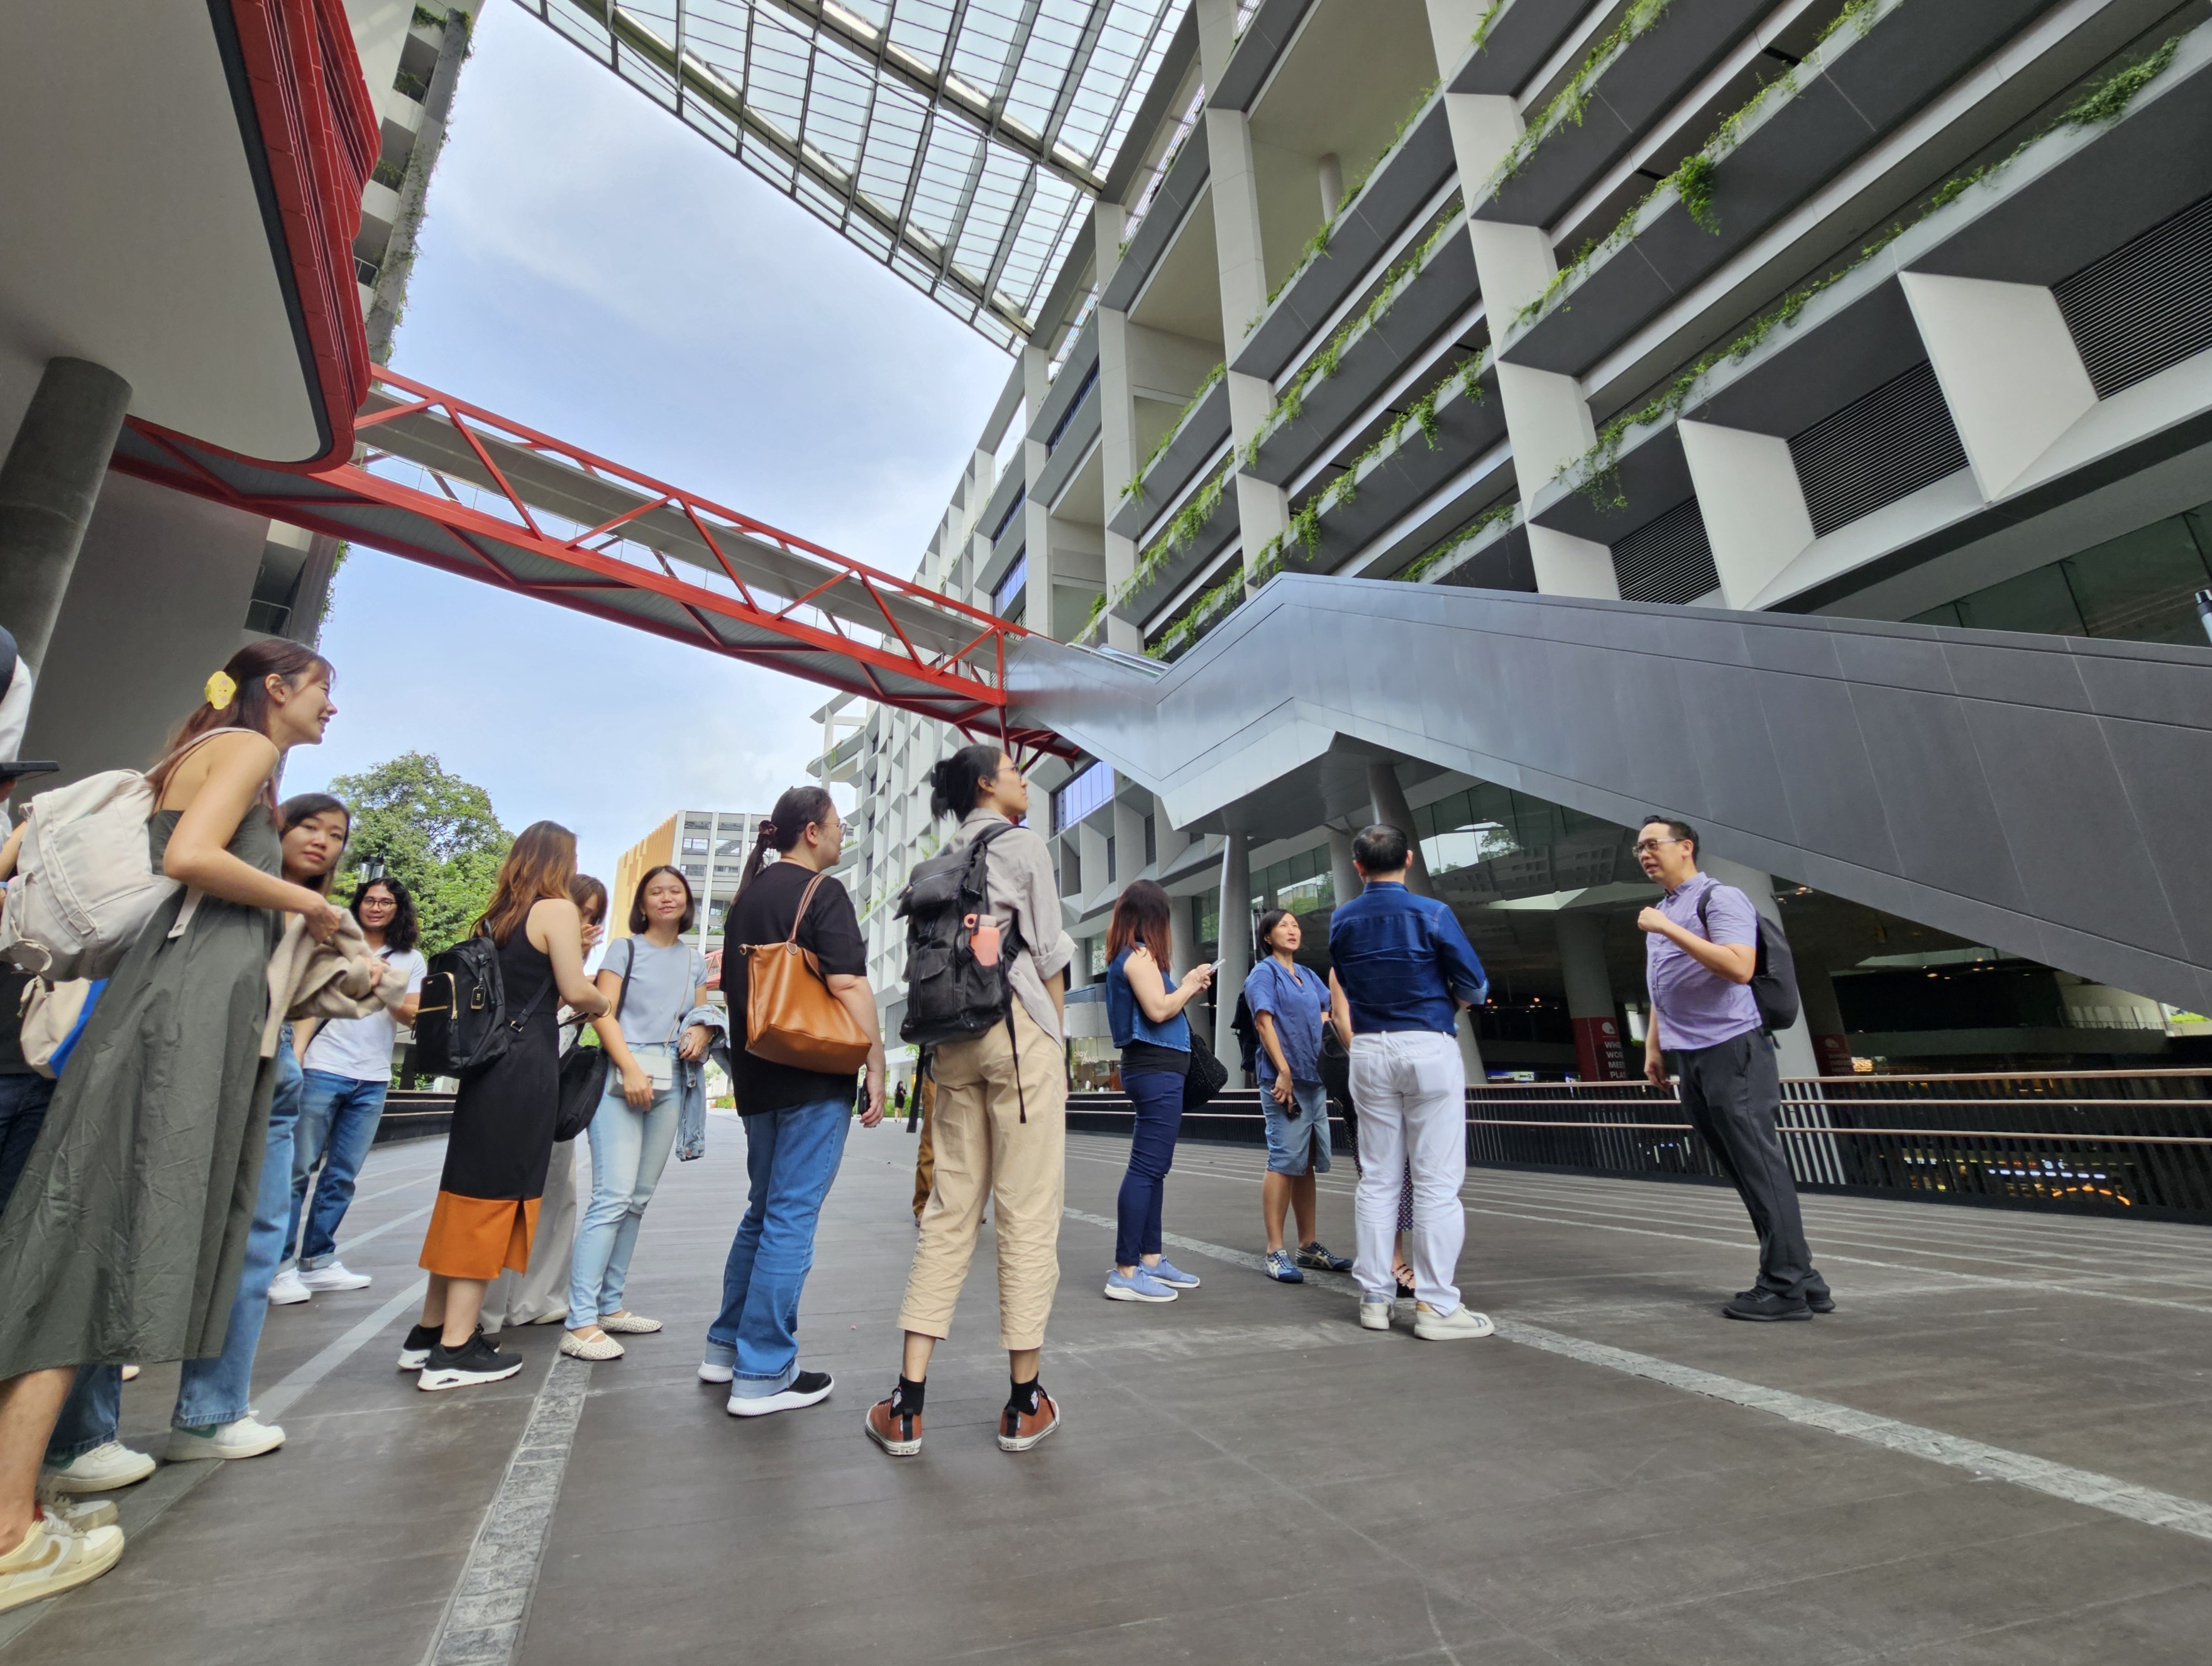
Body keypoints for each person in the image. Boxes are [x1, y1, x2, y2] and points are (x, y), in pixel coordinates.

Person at [0, 641, 346, 1610]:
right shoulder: (243, 748)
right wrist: (306, 900)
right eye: (324, 689)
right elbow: (193, 855)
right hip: (178, 1014)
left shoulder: (210, 746)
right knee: (82, 1239)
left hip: (169, 1003)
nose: (331, 708)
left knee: (81, 1233)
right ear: (277, 688)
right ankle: (10, 1529)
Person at [39, 792, 354, 1499]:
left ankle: (211, 1413)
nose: (322, 841)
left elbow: (338, 991)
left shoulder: (307, 909)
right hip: (194, 1052)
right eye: (309, 824)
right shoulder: (214, 877)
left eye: (335, 835)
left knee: (258, 1237)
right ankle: (82, 1433)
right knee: (129, 1227)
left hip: (271, 1064)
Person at [866, 745, 1072, 1460]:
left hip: (950, 1046)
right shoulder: (1021, 845)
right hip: (1018, 1038)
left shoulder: (937, 862)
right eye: (1014, 771)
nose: (1023, 780)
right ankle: (1023, 1403)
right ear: (989, 784)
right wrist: (1059, 1042)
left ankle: (907, 1404)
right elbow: (1047, 953)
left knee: (951, 1211)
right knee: (1026, 1209)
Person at [399, 823, 608, 1391]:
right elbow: (573, 987)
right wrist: (600, 998)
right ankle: (454, 1351)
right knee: (492, 1200)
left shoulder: (497, 918)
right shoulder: (557, 910)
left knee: (463, 1193)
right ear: (560, 860)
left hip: (487, 1068)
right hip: (524, 1066)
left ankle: (428, 1332)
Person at [705, 786, 885, 1416]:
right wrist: (876, 1061)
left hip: (757, 1078)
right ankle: (764, 1371)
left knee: (762, 1211)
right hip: (813, 1073)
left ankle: (725, 1347)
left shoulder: (746, 898)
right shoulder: (822, 892)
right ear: (811, 830)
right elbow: (848, 984)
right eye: (837, 826)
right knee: (790, 1215)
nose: (842, 836)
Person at [1634, 817, 1832, 1322]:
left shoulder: (1717, 899)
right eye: (1638, 848)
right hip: (1691, 1055)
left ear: (1685, 847)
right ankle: (1803, 1278)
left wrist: (1668, 929)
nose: (1643, 853)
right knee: (1745, 1169)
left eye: (1652, 844)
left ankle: (1784, 1287)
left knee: (1759, 1166)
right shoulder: (1663, 909)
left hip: (1732, 1047)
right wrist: (1654, 1047)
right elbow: (1662, 984)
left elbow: (1738, 966)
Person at [1327, 822, 1494, 1342]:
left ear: (1358, 866)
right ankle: (1436, 1305)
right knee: (1436, 1183)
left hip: (1370, 1048)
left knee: (1377, 1178)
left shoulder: (1342, 919)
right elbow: (1475, 985)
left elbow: (1347, 984)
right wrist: (1448, 1004)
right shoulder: (1433, 913)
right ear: (1410, 859)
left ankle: (1375, 1297)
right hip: (1427, 1043)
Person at [561, 865, 712, 1361]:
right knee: (612, 1195)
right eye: (656, 891)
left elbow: (699, 1012)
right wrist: (628, 1068)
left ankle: (609, 1305)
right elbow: (602, 1012)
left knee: (638, 1199)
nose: (666, 897)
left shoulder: (693, 961)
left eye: (675, 891)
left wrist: (701, 1032)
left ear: (686, 902)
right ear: (642, 904)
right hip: (621, 1074)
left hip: (672, 1076)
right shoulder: (624, 949)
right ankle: (579, 1320)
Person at [267, 871, 425, 1301]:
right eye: (370, 899)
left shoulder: (411, 959)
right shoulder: (333, 942)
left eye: (385, 902)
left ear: (397, 910)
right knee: (297, 1170)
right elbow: (308, 1004)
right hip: (323, 1066)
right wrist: (297, 1055)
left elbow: (410, 1014)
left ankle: (317, 1260)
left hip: (373, 1077)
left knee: (342, 1176)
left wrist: (383, 984)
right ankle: (277, 1266)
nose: (376, 907)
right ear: (359, 903)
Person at [481, 874, 607, 1335]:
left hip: (553, 1085)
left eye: (596, 918)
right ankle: (491, 1306)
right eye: (583, 913)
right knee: (512, 1196)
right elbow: (566, 997)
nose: (589, 925)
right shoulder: (529, 940)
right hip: (522, 1078)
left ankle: (539, 1298)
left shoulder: (569, 954)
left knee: (559, 1192)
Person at [1099, 879, 1212, 1303]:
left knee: (1153, 1168)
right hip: (1154, 1070)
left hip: (1153, 1069)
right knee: (1146, 1168)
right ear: (1153, 918)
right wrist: (1189, 983)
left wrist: (1180, 983)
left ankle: (1149, 1258)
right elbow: (1160, 1008)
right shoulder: (1139, 955)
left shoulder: (1128, 955)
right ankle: (1126, 1269)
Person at [1245, 909, 1353, 1283]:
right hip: (1283, 1083)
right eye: (1282, 926)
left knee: (1305, 1161)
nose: (1291, 930)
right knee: (1283, 1160)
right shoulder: (1264, 973)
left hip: (1314, 1080)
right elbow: (1263, 1022)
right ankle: (1276, 1251)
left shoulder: (1307, 975)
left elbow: (1329, 1017)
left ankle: (1308, 1247)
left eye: (1295, 925)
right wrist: (1284, 1073)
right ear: (1267, 936)